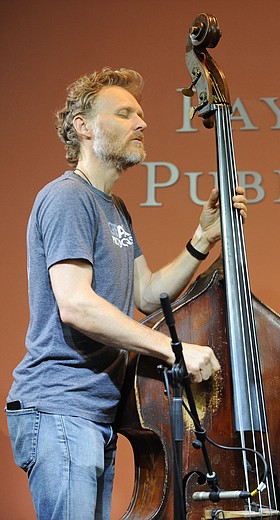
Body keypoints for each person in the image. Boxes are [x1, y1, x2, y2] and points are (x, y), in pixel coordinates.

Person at [5, 67, 248, 520]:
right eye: (124, 113)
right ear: (83, 126)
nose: (142, 122)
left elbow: (149, 295)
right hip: (61, 407)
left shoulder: (114, 208)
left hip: (95, 413)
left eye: (140, 114)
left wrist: (203, 238)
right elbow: (76, 304)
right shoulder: (66, 198)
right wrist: (173, 349)